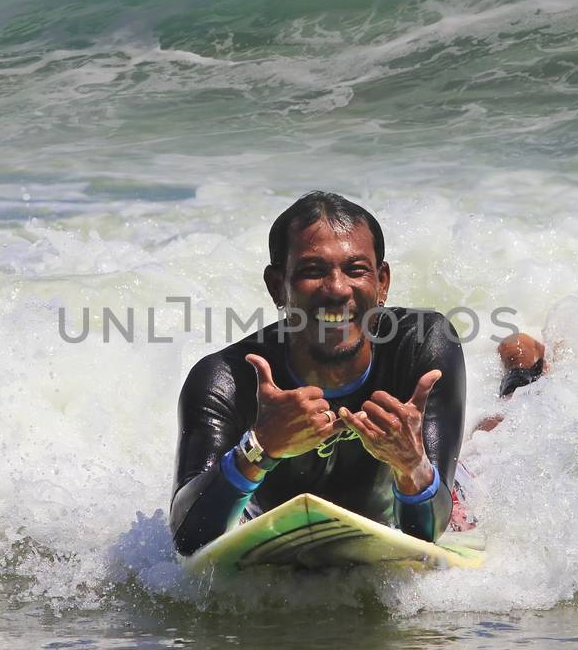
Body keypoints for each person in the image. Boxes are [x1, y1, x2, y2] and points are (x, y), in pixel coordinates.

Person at [170, 192, 465, 556]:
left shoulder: (421, 347)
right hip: (267, 519)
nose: (337, 289)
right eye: (313, 271)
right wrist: (260, 449)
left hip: (403, 508)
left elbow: (426, 535)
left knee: (477, 464)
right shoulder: (227, 380)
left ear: (382, 281)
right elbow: (187, 537)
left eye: (356, 270)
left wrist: (411, 466)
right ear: (277, 286)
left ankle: (520, 372)